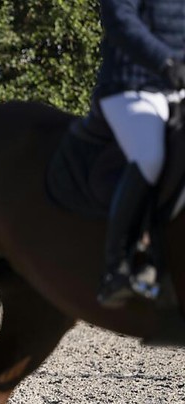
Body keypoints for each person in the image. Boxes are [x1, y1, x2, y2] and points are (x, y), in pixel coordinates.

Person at [94, 0, 185, 307]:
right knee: (150, 157)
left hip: (177, 87)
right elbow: (120, 19)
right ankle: (117, 265)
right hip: (133, 86)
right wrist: (166, 62)